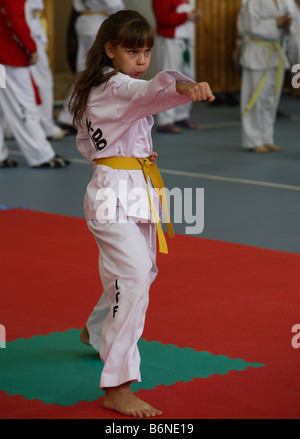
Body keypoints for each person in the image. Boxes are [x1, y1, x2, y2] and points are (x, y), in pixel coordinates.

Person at [69, 10, 215, 417]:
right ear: (110, 50)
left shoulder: (98, 85)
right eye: (132, 50)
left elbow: (90, 141)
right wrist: (185, 86)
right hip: (112, 197)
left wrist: (129, 156)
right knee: (132, 276)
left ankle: (96, 329)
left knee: (141, 271)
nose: (141, 58)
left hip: (133, 188)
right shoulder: (117, 84)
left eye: (147, 51)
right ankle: (117, 385)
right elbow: (148, 92)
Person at [0, 0, 70, 168]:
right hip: (9, 57)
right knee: (25, 106)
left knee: (1, 108)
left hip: (3, 55)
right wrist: (30, 47)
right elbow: (15, 16)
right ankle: (41, 155)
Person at [57, 0, 125, 130]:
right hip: (96, 24)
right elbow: (114, 4)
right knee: (98, 69)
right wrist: (124, 21)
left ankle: (69, 114)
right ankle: (73, 114)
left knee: (84, 70)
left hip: (83, 21)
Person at [240, 0, 293, 153]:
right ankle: (253, 140)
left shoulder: (281, 1)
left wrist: (285, 24)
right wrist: (275, 22)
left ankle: (267, 138)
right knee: (255, 98)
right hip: (257, 51)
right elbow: (249, 26)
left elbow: (283, 27)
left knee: (271, 98)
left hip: (275, 51)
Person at [152, 0, 202, 133]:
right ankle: (166, 120)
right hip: (170, 40)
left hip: (184, 40)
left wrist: (193, 15)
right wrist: (186, 16)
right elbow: (162, 18)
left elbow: (183, 14)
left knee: (187, 78)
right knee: (168, 79)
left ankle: (181, 115)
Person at [26, 0, 69, 140]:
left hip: (27, 30)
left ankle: (43, 125)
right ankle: (46, 126)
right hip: (27, 33)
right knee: (42, 84)